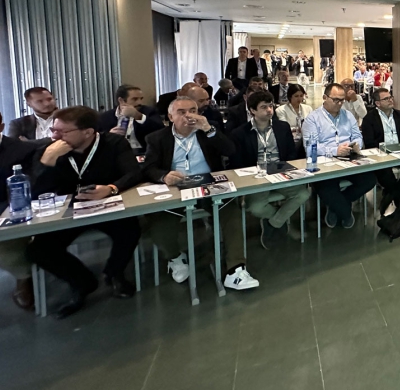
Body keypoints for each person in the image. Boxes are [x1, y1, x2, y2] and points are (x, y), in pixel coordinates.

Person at [28, 106, 141, 318]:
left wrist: (111, 188)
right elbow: (36, 192)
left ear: (88, 132)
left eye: (63, 132)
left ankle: (114, 273)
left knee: (130, 230)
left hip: (105, 203)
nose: (55, 135)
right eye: (54, 129)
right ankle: (82, 283)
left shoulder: (114, 143)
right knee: (38, 250)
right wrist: (47, 161)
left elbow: (133, 173)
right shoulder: (49, 149)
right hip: (67, 208)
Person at [141, 97, 257, 290]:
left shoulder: (207, 131)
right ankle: (176, 258)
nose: (189, 116)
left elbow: (230, 150)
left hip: (208, 184)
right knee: (159, 221)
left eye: (193, 110)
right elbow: (148, 168)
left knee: (231, 212)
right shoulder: (157, 138)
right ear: (170, 116)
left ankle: (235, 269)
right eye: (182, 112)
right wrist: (163, 176)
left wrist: (209, 130)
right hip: (176, 187)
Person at [230, 91, 311, 245]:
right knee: (255, 207)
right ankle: (281, 221)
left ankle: (273, 223)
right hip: (256, 176)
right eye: (263, 107)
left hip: (281, 171)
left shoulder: (282, 127)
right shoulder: (240, 133)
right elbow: (237, 163)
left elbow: (291, 154)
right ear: (252, 110)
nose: (269, 110)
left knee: (303, 194)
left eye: (271, 106)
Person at [302, 83, 376, 228]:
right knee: (326, 188)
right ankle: (345, 212)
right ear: (325, 97)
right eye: (335, 100)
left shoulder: (347, 115)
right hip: (325, 162)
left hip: (349, 157)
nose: (340, 103)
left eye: (342, 100)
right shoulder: (312, 119)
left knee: (369, 179)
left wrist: (355, 145)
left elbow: (357, 135)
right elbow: (310, 147)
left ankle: (336, 206)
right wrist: (335, 150)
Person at [0, 108, 40, 310]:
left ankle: (24, 277)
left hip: (10, 208)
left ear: (1, 128)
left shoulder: (20, 150)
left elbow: (30, 187)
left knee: (3, 244)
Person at [360, 88, 400, 216]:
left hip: (399, 152)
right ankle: (395, 201)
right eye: (386, 99)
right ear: (378, 103)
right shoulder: (369, 118)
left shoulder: (399, 115)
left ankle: (390, 199)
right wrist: (384, 151)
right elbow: (369, 141)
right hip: (381, 155)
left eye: (391, 97)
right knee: (388, 177)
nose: (390, 100)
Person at [97, 84, 164, 152]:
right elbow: (96, 137)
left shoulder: (149, 111)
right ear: (121, 100)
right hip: (116, 153)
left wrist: (138, 116)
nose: (139, 102)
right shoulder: (105, 117)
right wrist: (109, 135)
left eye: (141, 99)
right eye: (134, 99)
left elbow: (160, 130)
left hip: (143, 152)